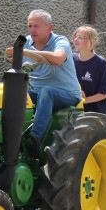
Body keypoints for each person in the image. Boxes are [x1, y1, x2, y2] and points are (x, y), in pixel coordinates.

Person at [7, 10, 82, 148]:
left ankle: (34, 139)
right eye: (30, 26)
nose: (32, 30)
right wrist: (15, 56)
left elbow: (58, 58)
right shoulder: (27, 42)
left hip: (66, 95)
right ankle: (11, 136)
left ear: (49, 28)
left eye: (37, 26)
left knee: (47, 92)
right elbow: (18, 65)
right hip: (36, 94)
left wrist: (26, 52)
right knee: (9, 93)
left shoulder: (60, 41)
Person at [71, 25, 106, 116]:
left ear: (91, 42)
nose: (76, 39)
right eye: (75, 37)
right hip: (73, 112)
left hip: (94, 115)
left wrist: (83, 101)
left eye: (80, 37)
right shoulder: (72, 58)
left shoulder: (101, 63)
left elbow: (103, 93)